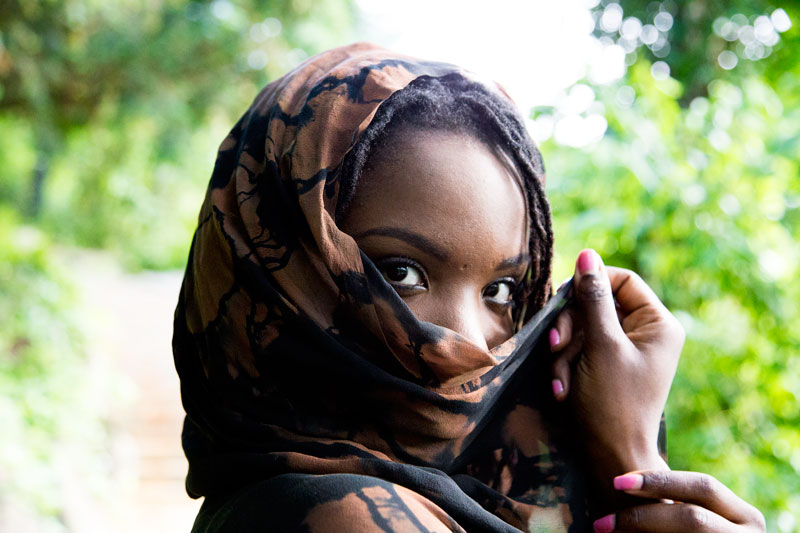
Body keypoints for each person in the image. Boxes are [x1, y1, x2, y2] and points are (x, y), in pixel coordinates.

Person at [173, 43, 765, 532]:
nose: (468, 342)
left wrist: (632, 466)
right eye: (400, 273)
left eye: (502, 291)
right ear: (274, 271)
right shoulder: (349, 518)